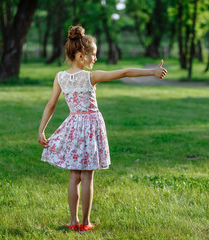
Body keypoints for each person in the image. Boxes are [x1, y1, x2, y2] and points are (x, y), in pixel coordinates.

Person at [38, 25, 167, 233]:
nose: (95, 59)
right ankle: (85, 221)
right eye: (93, 55)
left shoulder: (60, 77)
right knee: (87, 175)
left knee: (74, 175)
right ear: (80, 56)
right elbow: (124, 72)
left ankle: (72, 221)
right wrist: (152, 71)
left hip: (73, 126)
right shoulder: (91, 76)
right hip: (89, 127)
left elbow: (50, 104)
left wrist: (41, 130)